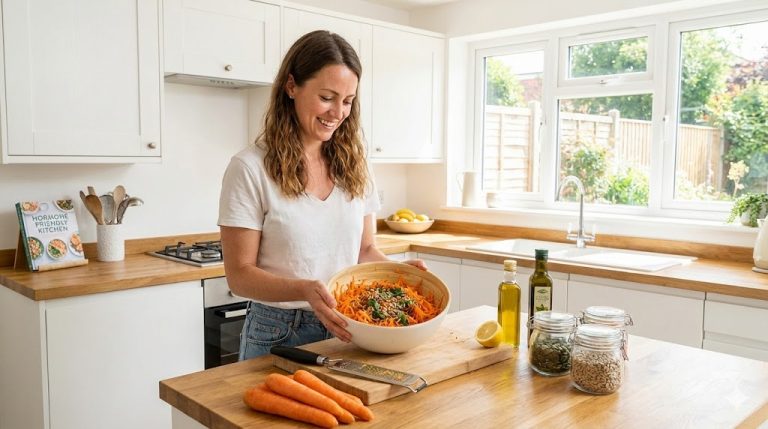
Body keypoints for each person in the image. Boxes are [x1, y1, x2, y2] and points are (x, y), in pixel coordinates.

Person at [218, 30, 426, 360]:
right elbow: (239, 276)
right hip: (279, 332)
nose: (337, 112)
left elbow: (365, 249)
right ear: (291, 87)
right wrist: (304, 289)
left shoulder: (356, 164)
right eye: (327, 97)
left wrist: (401, 276)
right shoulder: (249, 168)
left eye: (347, 101)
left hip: (351, 327)